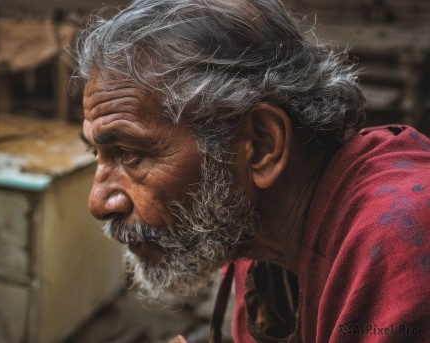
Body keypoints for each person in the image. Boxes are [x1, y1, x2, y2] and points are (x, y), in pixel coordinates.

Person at [75, 0, 430, 341]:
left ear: (261, 145)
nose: (99, 202)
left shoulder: (398, 246)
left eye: (130, 154)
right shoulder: (251, 229)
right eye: (98, 153)